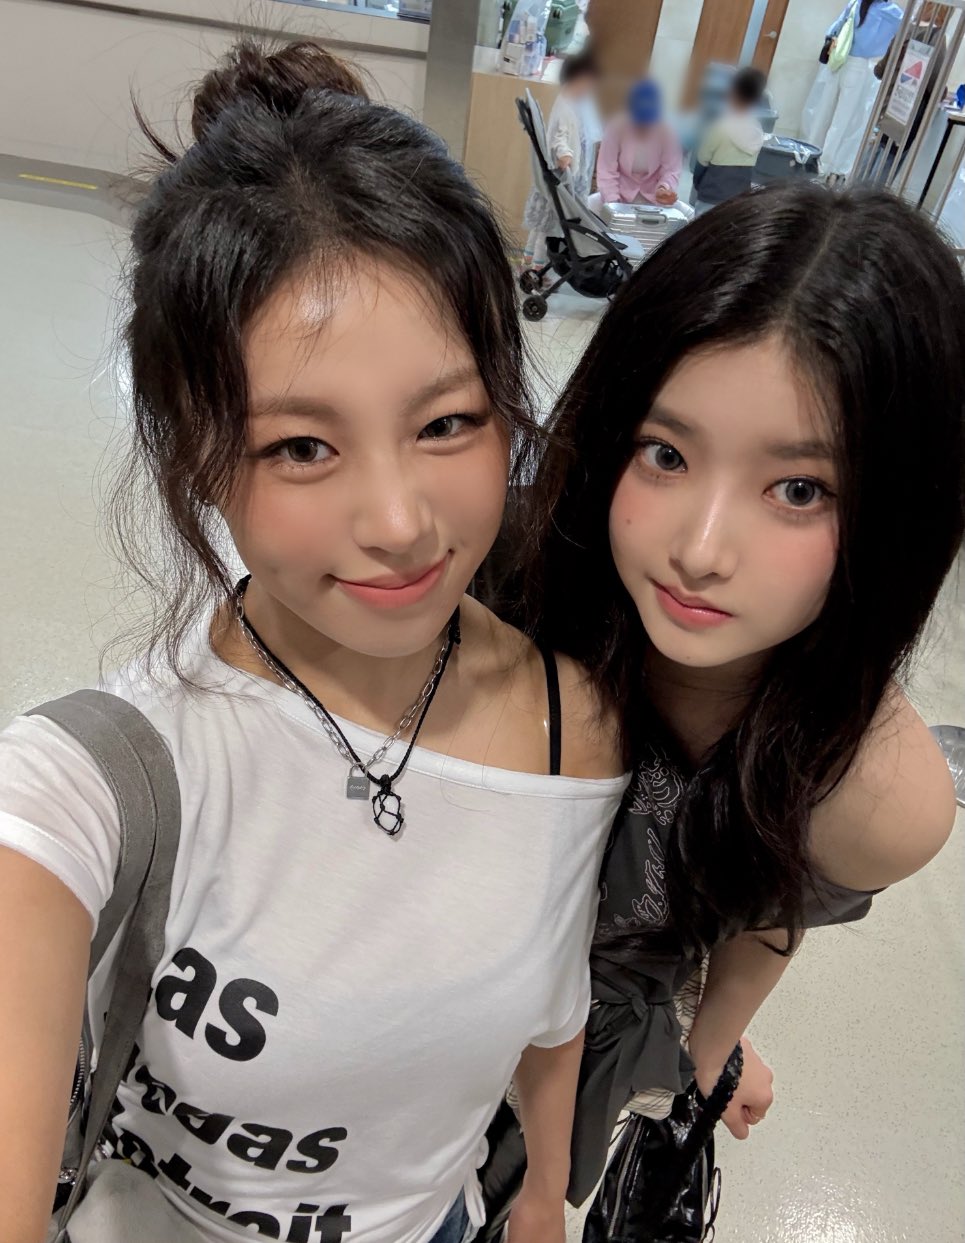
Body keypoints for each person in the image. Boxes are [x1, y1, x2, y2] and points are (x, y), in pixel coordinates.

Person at [0, 39, 628, 1243]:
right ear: (197, 454)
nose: (398, 523)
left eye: (446, 422)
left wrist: (544, 1198)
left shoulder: (575, 727)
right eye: (301, 447)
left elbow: (553, 1019)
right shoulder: (101, 777)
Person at [482, 182, 964, 1232]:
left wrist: (696, 1063)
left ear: (898, 516)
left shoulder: (870, 792)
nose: (698, 550)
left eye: (798, 489)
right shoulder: (501, 584)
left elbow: (759, 914)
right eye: (665, 453)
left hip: (580, 1064)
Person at [521, 48, 600, 274]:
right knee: (546, 226)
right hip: (560, 177)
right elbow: (559, 136)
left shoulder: (580, 102)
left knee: (542, 225)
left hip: (569, 177)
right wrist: (565, 155)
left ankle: (528, 260)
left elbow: (589, 133)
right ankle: (536, 268)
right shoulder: (564, 106)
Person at [806, 0, 904, 179]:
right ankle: (824, 167)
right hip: (860, 67)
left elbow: (833, 29)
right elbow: (908, 31)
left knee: (823, 113)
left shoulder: (855, 3)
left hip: (838, 61)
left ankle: (809, 156)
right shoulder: (891, 11)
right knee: (843, 121)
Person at [589, 79, 691, 217]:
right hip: (619, 192)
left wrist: (664, 187)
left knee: (687, 215)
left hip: (653, 195)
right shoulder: (616, 126)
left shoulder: (667, 130)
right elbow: (607, 169)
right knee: (589, 207)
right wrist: (613, 203)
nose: (643, 126)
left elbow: (671, 169)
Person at [692, 67, 767, 216]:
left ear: (732, 93)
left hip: (712, 194)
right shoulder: (757, 129)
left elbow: (702, 159)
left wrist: (698, 185)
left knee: (703, 227)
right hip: (739, 198)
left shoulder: (720, 126)